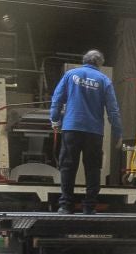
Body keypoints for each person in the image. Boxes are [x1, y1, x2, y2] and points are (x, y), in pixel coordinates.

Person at [49, 49, 123, 213]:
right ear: (100, 63)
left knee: (68, 167)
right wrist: (118, 133)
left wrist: (55, 120)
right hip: (94, 132)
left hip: (71, 128)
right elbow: (113, 110)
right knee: (93, 168)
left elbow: (57, 99)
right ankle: (89, 206)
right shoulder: (104, 80)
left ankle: (65, 205)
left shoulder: (70, 75)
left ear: (84, 60)